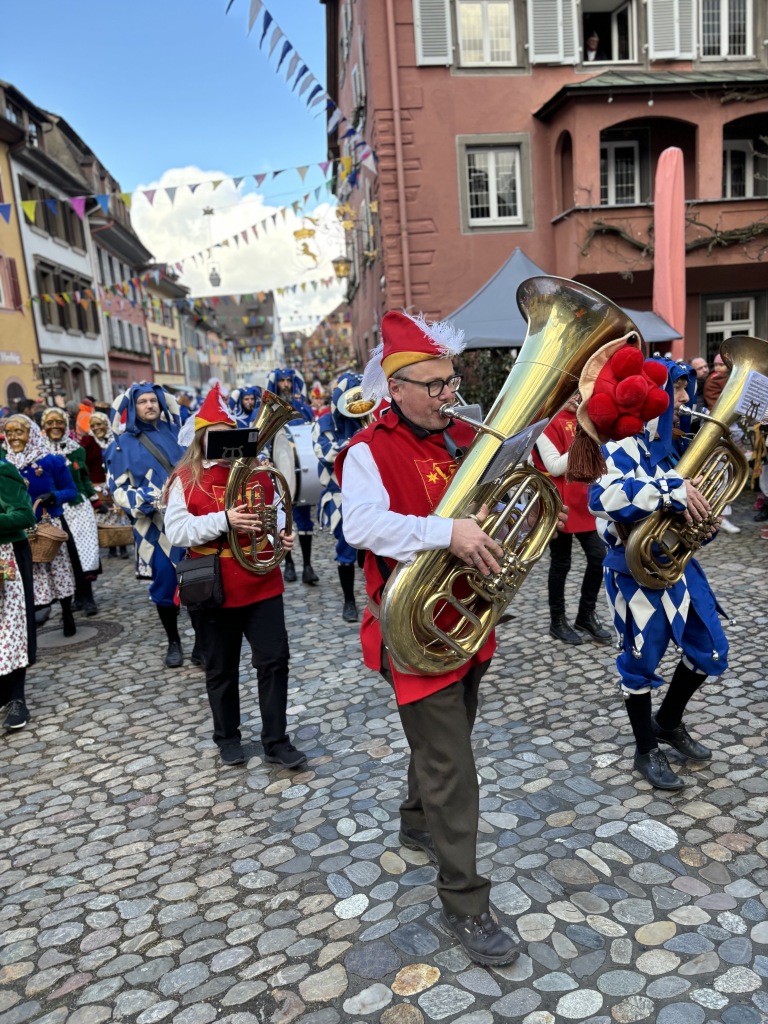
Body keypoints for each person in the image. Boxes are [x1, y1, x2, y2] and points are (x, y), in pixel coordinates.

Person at [338, 310, 559, 967]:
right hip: (412, 630)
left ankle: (414, 820)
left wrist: (494, 516)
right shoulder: (364, 453)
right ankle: (465, 900)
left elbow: (468, 512)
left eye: (450, 382)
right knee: (453, 765)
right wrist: (449, 532)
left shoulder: (455, 442)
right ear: (396, 389)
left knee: (446, 734)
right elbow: (362, 526)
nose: (448, 396)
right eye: (433, 386)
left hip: (465, 619)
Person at [579, 341, 728, 790]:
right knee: (641, 661)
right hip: (634, 573)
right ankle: (646, 748)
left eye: (686, 390)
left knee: (710, 649)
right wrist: (670, 491)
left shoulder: (663, 446)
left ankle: (668, 721)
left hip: (676, 564)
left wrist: (705, 518)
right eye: (678, 390)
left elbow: (681, 507)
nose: (686, 399)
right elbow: (600, 498)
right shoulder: (617, 444)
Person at [164, 384, 307, 769]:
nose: (225, 443)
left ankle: (276, 741)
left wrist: (283, 534)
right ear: (201, 439)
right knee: (221, 668)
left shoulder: (257, 472)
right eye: (216, 436)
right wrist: (224, 519)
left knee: (274, 661)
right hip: (213, 584)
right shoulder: (185, 478)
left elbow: (274, 515)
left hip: (261, 582)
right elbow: (176, 533)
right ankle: (227, 737)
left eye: (230, 434)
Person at [105, 384, 187, 667]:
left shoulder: (178, 433)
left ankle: (203, 640)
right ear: (133, 407)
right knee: (164, 581)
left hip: (189, 520)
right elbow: (117, 489)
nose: (150, 405)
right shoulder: (120, 444)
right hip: (153, 526)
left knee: (199, 577)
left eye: (154, 400)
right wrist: (147, 500)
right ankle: (174, 640)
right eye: (143, 402)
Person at [533, 395, 612, 645]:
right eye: (570, 393)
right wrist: (586, 439)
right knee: (561, 564)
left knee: (599, 558)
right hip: (561, 503)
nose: (576, 398)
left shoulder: (585, 420)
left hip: (584, 501)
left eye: (578, 392)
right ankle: (558, 621)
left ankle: (585, 615)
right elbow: (554, 466)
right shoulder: (545, 424)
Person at [2, 415, 78, 636]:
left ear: (32, 433)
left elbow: (71, 491)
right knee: (28, 575)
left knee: (59, 571)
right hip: (18, 530)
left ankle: (67, 613)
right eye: (10, 433)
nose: (14, 437)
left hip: (48, 525)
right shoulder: (4, 464)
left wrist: (53, 496)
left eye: (19, 431)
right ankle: (31, 618)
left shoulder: (51, 461)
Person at [313, 372, 367, 622]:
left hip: (368, 490)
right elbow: (326, 452)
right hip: (338, 494)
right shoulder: (324, 423)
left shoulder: (367, 418)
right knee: (346, 543)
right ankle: (349, 601)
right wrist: (361, 439)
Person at [40, 408, 102, 616]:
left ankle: (88, 597)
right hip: (54, 510)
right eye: (50, 422)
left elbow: (84, 478)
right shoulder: (39, 453)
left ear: (66, 425)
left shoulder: (77, 450)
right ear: (43, 426)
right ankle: (75, 595)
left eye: (59, 421)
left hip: (78, 507)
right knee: (65, 555)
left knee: (84, 553)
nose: (55, 426)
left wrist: (94, 501)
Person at [266, 367, 318, 585]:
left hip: (300, 473)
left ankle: (307, 565)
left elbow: (313, 436)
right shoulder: (267, 409)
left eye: (289, 380)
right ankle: (288, 563)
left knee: (304, 519)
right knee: (282, 518)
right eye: (282, 381)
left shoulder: (305, 409)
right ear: (276, 384)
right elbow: (258, 438)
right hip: (278, 470)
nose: (286, 384)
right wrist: (265, 458)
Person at [0, 458, 37, 730]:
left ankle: (17, 697)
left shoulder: (2, 469)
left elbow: (25, 514)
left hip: (6, 555)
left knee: (11, 627)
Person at [82, 412, 130, 560]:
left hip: (116, 482)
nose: (97, 428)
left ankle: (122, 546)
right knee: (104, 516)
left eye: (99, 424)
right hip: (97, 484)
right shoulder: (88, 441)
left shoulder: (115, 438)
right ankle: (110, 547)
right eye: (93, 425)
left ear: (106, 424)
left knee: (118, 514)